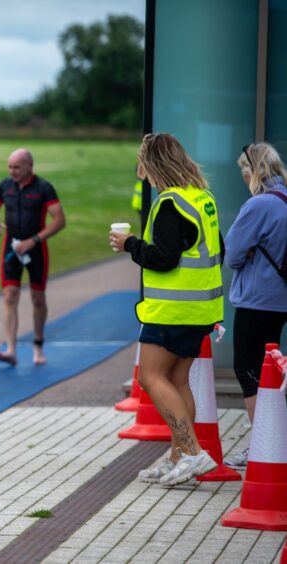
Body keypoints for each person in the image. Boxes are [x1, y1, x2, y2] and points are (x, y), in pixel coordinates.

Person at [109, 133, 223, 486]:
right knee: (177, 380)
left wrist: (130, 244)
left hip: (172, 311)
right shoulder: (202, 198)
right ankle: (179, 457)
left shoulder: (168, 203)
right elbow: (221, 248)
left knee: (150, 378)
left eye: (142, 161)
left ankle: (191, 452)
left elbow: (164, 258)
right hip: (201, 309)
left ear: (153, 163)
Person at [223, 142, 287, 469]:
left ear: (256, 171)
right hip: (280, 298)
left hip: (257, 298)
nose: (242, 176)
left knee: (248, 369)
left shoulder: (258, 204)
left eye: (244, 171)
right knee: (272, 368)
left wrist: (246, 254)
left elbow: (232, 253)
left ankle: (262, 445)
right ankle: (274, 440)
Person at [0, 148, 66, 366]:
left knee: (37, 298)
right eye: (10, 167)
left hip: (36, 249)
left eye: (17, 167)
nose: (12, 171)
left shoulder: (44, 188)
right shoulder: (5, 186)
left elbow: (59, 220)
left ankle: (38, 345)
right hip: (11, 249)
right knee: (10, 295)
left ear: (30, 166)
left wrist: (33, 241)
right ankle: (11, 349)